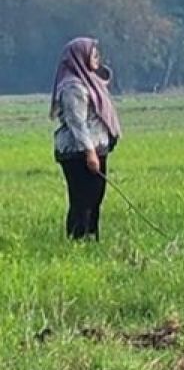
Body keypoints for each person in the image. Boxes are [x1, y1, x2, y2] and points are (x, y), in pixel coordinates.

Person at [50, 37, 122, 241]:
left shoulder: (90, 81)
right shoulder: (73, 87)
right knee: (82, 198)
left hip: (97, 148)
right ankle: (77, 238)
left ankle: (91, 237)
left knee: (96, 197)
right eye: (93, 53)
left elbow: (105, 77)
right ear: (80, 57)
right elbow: (77, 123)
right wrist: (89, 152)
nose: (97, 57)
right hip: (77, 152)